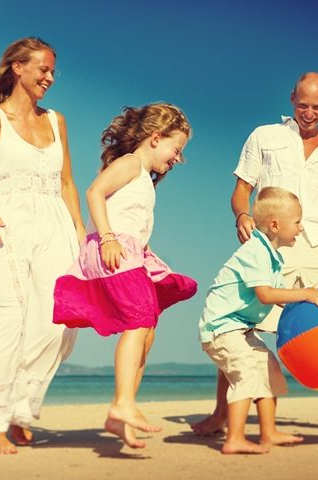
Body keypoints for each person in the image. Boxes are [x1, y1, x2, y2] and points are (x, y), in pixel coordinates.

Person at [192, 72, 318, 436]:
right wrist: (242, 215)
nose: (308, 113)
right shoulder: (264, 136)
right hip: (274, 246)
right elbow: (241, 189)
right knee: (241, 325)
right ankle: (220, 412)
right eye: (302, 105)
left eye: (316, 107)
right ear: (292, 99)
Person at [0, 37, 86, 455]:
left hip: (56, 225)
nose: (49, 78)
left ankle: (17, 406)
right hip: (8, 225)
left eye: (52, 71)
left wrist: (82, 235)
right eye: (43, 69)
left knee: (59, 324)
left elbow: (67, 182)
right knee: (10, 322)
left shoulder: (56, 121)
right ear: (18, 68)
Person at [53, 103, 198, 448]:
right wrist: (107, 237)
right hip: (111, 248)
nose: (178, 159)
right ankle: (123, 403)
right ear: (155, 138)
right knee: (138, 321)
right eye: (176, 150)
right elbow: (94, 192)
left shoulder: (144, 178)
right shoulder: (130, 164)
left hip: (130, 252)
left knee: (147, 330)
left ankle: (120, 414)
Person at [199, 187, 318, 454]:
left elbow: (281, 297)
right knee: (246, 373)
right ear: (275, 225)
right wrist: (305, 293)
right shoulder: (256, 251)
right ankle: (234, 438)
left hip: (241, 328)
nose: (301, 227)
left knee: (269, 368)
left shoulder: (272, 256)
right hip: (222, 328)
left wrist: (311, 304)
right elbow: (265, 295)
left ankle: (268, 432)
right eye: (297, 222)